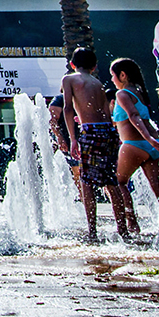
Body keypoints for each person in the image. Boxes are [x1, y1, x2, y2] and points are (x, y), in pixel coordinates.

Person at [59, 47, 135, 241]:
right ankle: (122, 230)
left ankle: (92, 232)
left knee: (86, 183)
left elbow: (67, 108)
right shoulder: (98, 83)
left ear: (72, 64)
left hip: (90, 132)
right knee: (110, 182)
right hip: (106, 132)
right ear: (94, 67)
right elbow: (105, 113)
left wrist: (73, 138)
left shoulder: (69, 79)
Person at [110, 58, 159, 202]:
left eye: (113, 75)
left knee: (117, 183)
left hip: (135, 144)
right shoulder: (139, 92)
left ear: (122, 75)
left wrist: (148, 139)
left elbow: (134, 115)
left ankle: (132, 222)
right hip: (151, 146)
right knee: (157, 191)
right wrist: (152, 140)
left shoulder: (122, 94)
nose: (112, 79)